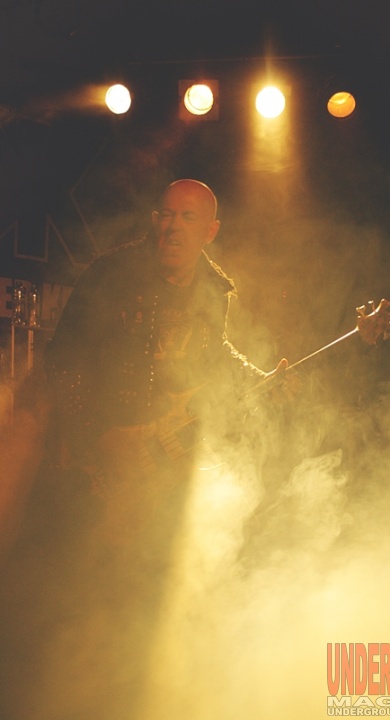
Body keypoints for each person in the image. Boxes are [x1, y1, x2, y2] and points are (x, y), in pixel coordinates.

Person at [0, 179, 290, 720]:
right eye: (166, 214)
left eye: (187, 218)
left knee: (143, 607)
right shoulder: (111, 275)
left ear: (210, 231)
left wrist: (260, 379)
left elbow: (215, 354)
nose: (172, 226)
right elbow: (64, 364)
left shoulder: (213, 291)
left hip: (160, 476)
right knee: (66, 603)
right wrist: (99, 436)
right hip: (88, 473)